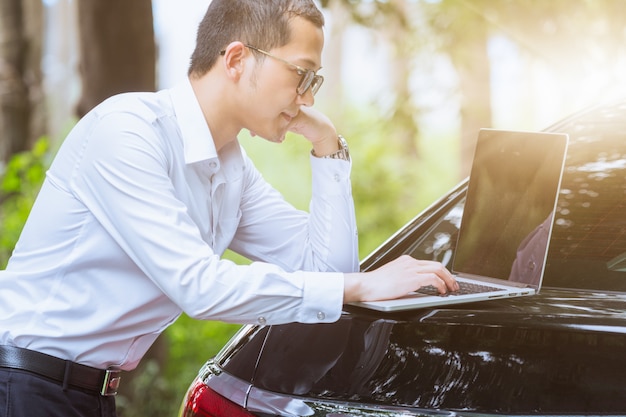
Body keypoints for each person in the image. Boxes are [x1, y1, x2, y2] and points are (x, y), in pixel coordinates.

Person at [0, 1, 458, 415]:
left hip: (87, 395)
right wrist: (359, 286)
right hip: (22, 383)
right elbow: (200, 287)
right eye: (301, 74)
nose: (308, 97)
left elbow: (328, 270)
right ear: (237, 59)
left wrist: (329, 147)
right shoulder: (128, 132)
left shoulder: (232, 170)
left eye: (314, 80)